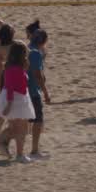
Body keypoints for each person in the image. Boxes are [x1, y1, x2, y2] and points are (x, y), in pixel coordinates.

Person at [0, 41, 36, 163]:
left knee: (15, 128)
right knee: (21, 129)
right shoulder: (12, 69)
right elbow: (9, 87)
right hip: (14, 99)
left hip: (19, 97)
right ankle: (19, 155)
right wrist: (9, 104)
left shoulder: (16, 66)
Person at [26, 24, 52, 157]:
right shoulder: (35, 53)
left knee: (23, 121)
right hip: (32, 91)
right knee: (38, 120)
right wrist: (46, 92)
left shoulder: (28, 48)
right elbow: (38, 75)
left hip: (25, 90)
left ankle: (0, 142)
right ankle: (35, 150)